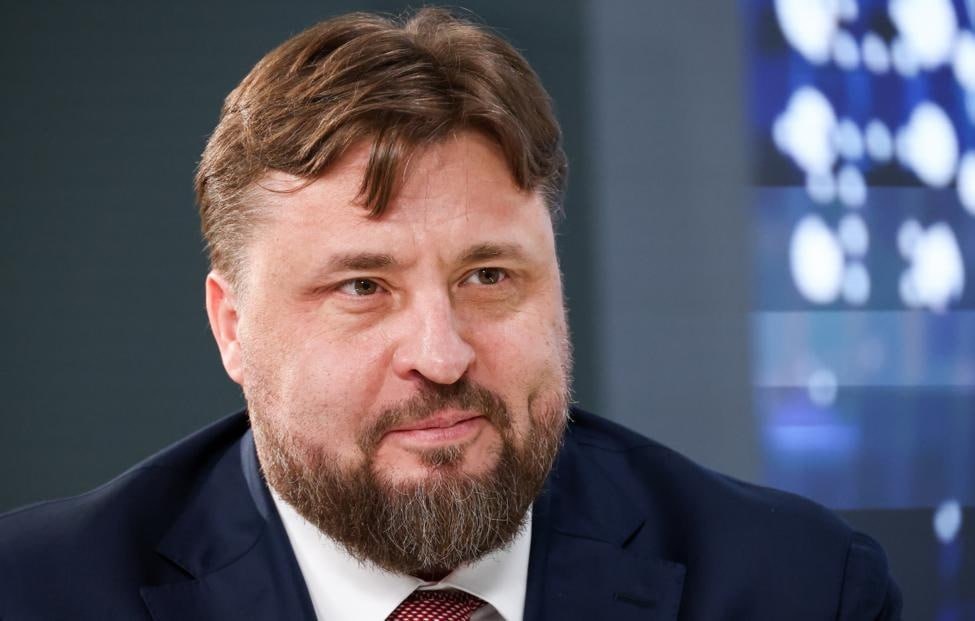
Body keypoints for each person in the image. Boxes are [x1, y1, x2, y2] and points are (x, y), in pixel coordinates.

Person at [0, 8, 900, 620]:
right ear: (231, 326)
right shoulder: (38, 592)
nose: (441, 355)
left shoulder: (797, 586)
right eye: (362, 286)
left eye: (488, 276)